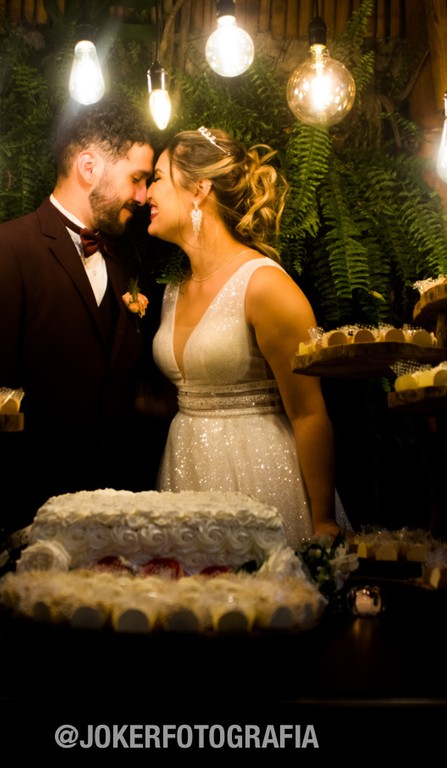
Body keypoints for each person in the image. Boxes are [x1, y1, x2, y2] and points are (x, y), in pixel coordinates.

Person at [0, 99, 156, 522]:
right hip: (28, 504)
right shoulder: (1, 250)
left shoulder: (128, 264)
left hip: (119, 505)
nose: (142, 196)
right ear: (88, 167)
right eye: (136, 179)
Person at [146, 127, 346, 544]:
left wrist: (323, 519)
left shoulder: (265, 286)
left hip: (258, 476)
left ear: (199, 189)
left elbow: (309, 413)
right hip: (185, 470)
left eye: (158, 177)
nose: (147, 193)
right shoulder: (171, 291)